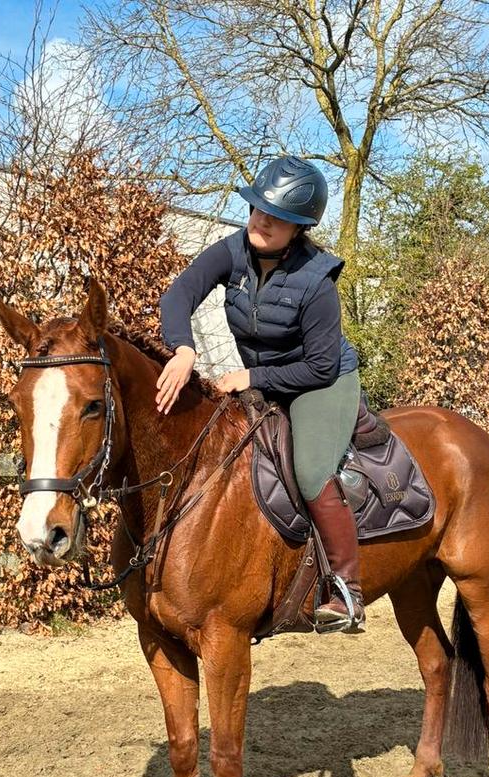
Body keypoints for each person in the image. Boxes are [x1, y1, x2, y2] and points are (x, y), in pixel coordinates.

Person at [156, 155, 365, 632]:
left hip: (323, 381)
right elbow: (179, 294)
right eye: (257, 208)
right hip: (268, 376)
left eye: (278, 217)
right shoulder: (233, 251)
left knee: (311, 470)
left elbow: (319, 364)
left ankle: (347, 591)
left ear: (299, 228)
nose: (262, 221)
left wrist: (253, 379)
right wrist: (183, 348)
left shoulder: (318, 283)